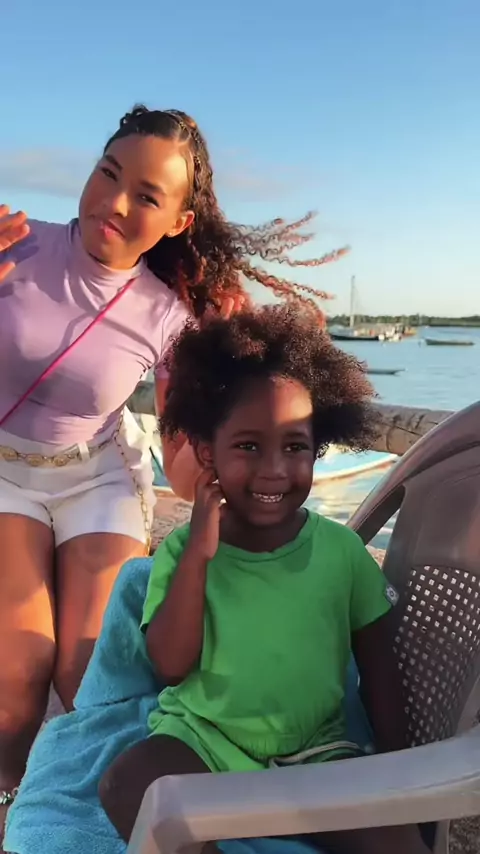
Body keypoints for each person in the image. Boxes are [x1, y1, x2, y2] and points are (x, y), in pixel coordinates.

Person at [0, 105, 348, 840]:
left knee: (91, 670)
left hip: (95, 476)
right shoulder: (17, 245)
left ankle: (90, 818)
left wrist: (235, 389)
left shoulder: (168, 317)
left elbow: (187, 476)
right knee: (17, 675)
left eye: (147, 196)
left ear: (180, 222)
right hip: (5, 473)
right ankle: (10, 800)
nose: (115, 202)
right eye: (108, 174)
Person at [98, 305, 430, 854]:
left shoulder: (342, 553)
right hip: (205, 742)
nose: (274, 469)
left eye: (295, 447)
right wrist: (199, 557)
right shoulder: (183, 550)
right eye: (249, 446)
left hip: (317, 756)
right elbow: (170, 667)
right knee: (126, 785)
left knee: (400, 843)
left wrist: (396, 774)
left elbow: (379, 672)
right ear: (207, 452)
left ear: (317, 448)